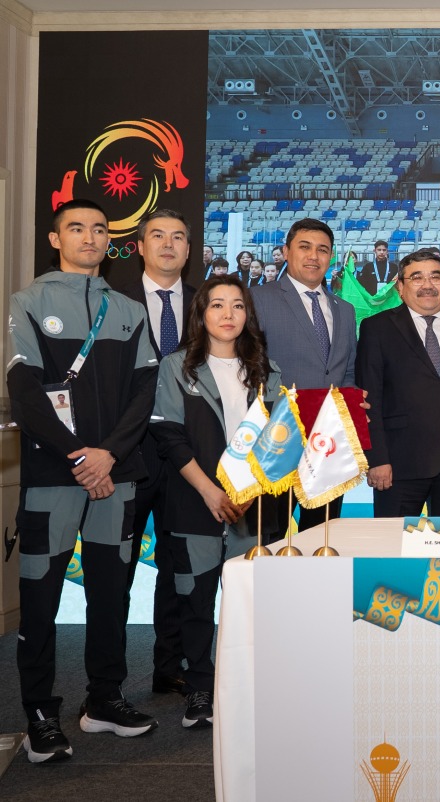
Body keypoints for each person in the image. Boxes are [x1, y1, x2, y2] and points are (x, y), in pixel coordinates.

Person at [8, 199, 160, 762]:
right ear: (56, 239)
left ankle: (103, 700)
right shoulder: (29, 302)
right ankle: (41, 714)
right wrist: (79, 455)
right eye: (77, 228)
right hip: (54, 475)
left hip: (117, 477)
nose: (90, 237)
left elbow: (145, 393)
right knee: (42, 596)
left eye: (99, 229)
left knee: (109, 594)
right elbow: (24, 391)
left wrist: (109, 456)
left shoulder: (128, 310)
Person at [151, 275, 282, 729]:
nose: (228, 315)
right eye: (217, 306)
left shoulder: (267, 371)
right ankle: (201, 691)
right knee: (195, 601)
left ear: (249, 315)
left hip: (253, 509)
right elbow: (169, 435)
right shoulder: (176, 367)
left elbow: (276, 443)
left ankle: (247, 686)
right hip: (194, 503)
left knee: (250, 602)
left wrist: (247, 492)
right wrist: (209, 490)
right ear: (201, 314)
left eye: (238, 306)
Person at [114, 209, 197, 702]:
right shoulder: (113, 302)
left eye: (178, 237)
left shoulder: (207, 305)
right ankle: (110, 679)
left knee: (178, 565)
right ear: (140, 246)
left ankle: (170, 666)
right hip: (128, 452)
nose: (168, 244)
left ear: (189, 249)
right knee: (116, 569)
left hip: (187, 455)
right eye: (157, 236)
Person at [251, 218, 357, 531]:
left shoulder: (345, 309)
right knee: (268, 535)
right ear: (285, 252)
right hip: (277, 441)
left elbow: (347, 371)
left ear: (331, 257)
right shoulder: (258, 299)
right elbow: (248, 369)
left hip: (329, 448)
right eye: (305, 247)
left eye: (322, 250)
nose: (314, 256)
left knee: (322, 535)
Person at [356, 250, 440, 517]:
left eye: (436, 276)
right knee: (392, 550)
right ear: (400, 286)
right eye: (417, 278)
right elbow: (369, 401)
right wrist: (377, 459)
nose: (428, 285)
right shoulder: (377, 328)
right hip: (397, 465)